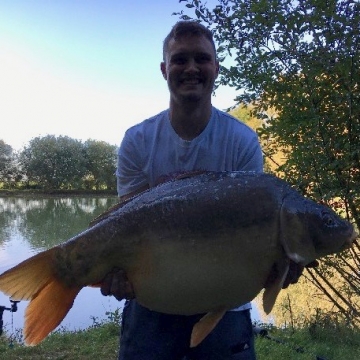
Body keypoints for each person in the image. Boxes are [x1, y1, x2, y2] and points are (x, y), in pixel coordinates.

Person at [101, 20, 263, 360]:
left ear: (216, 67)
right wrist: (118, 271)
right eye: (180, 59)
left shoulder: (243, 142)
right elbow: (127, 228)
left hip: (226, 304)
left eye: (201, 59)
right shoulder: (137, 140)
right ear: (164, 69)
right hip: (154, 299)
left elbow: (252, 235)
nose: (191, 68)